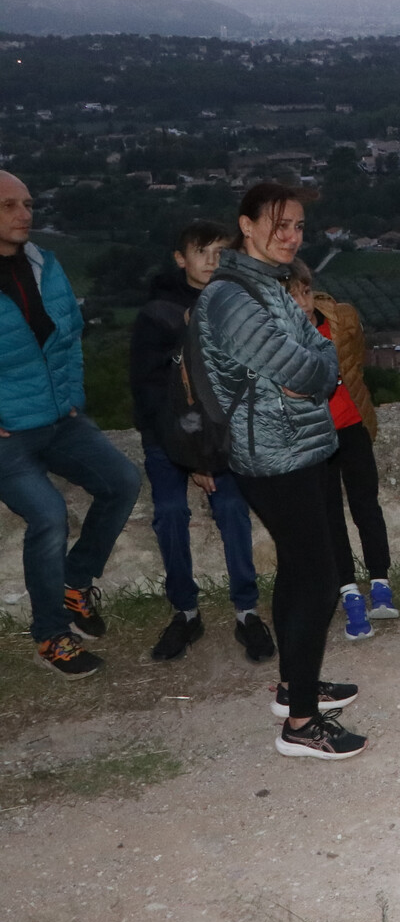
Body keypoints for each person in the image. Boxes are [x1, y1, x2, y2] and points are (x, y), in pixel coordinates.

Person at [198, 182, 365, 758]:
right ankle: (300, 726)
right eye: (279, 224)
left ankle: (296, 683)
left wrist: (315, 360)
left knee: (300, 572)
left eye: (298, 226)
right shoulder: (232, 298)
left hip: (304, 447)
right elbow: (309, 368)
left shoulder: (267, 286)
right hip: (274, 456)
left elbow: (320, 357)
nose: (292, 236)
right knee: (318, 580)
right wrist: (316, 361)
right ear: (246, 226)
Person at [0, 170, 142, 680]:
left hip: (60, 417)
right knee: (49, 516)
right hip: (8, 433)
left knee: (123, 481)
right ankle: (51, 635)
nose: (24, 215)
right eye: (10, 206)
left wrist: (73, 397)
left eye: (29, 204)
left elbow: (69, 338)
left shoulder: (45, 265)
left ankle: (74, 581)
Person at [129, 219, 269, 663]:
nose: (212, 261)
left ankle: (247, 611)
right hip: (169, 436)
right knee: (170, 512)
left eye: (221, 252)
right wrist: (190, 458)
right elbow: (150, 393)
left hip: (223, 438)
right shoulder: (158, 315)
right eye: (201, 251)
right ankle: (185, 612)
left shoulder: (236, 304)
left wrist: (213, 453)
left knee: (231, 509)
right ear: (180, 258)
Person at [286, 260, 398, 639]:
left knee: (367, 503)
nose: (302, 302)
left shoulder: (341, 318)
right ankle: (348, 592)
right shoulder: (276, 337)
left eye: (304, 291)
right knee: (329, 514)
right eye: (291, 295)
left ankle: (380, 581)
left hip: (352, 426)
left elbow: (356, 363)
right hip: (313, 437)